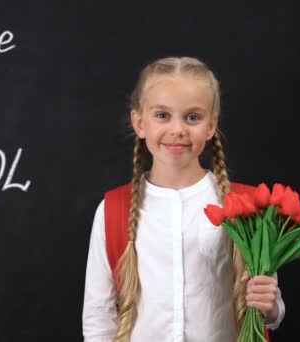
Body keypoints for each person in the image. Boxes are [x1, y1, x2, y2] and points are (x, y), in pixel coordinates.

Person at [82, 56, 285, 341]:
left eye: (192, 117)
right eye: (162, 115)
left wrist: (272, 306)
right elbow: (98, 317)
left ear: (211, 126)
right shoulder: (114, 209)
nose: (177, 130)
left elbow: (268, 307)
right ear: (139, 123)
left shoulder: (247, 206)